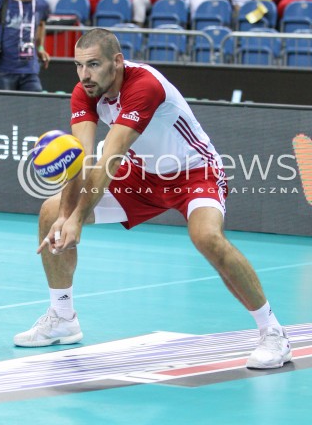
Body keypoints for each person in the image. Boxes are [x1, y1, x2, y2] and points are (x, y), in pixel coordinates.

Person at [14, 27, 292, 370]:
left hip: (194, 172)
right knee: (50, 210)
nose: (84, 75)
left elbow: (110, 158)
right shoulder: (84, 92)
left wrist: (77, 222)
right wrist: (66, 214)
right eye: (78, 66)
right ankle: (62, 316)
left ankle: (273, 333)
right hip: (142, 174)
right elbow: (81, 159)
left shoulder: (144, 85)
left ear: (117, 62)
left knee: (206, 237)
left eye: (94, 65)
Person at [0, 0, 50, 91]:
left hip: (30, 70)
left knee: (35, 107)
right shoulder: (2, 0)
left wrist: (40, 47)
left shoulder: (41, 4)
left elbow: (41, 24)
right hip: (4, 70)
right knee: (5, 110)